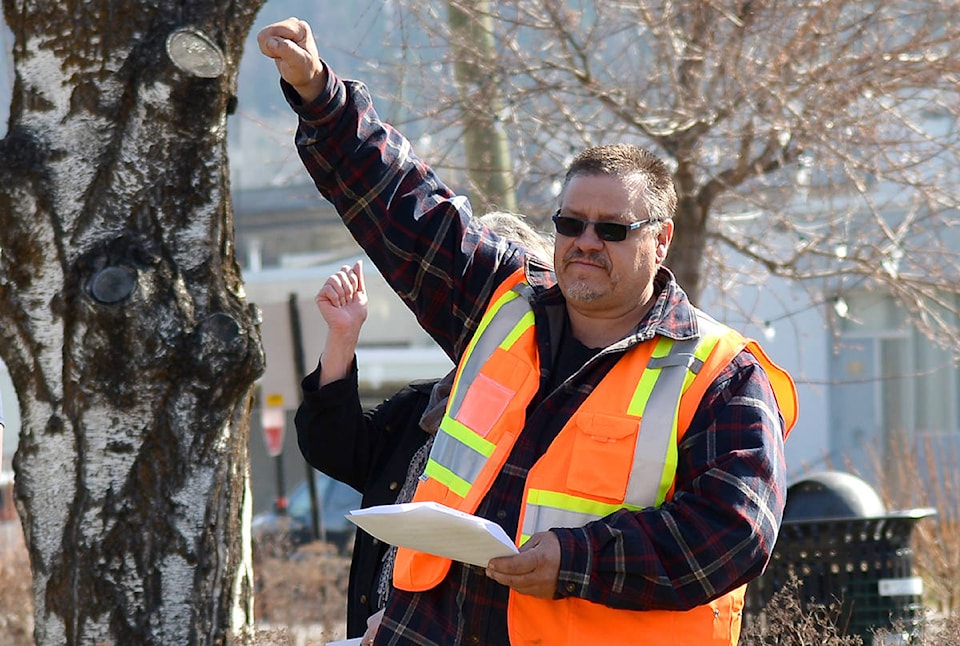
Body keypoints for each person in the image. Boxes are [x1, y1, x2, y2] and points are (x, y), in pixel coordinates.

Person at [259, 18, 798, 646]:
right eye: (570, 224)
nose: (586, 243)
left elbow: (733, 532)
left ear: (662, 239)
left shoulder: (722, 374)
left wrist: (578, 560)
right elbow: (406, 208)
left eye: (612, 230)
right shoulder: (503, 300)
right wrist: (322, 96)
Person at [296, 213, 553, 640]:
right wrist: (342, 337)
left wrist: (407, 618)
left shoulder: (549, 421)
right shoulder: (423, 404)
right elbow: (331, 448)